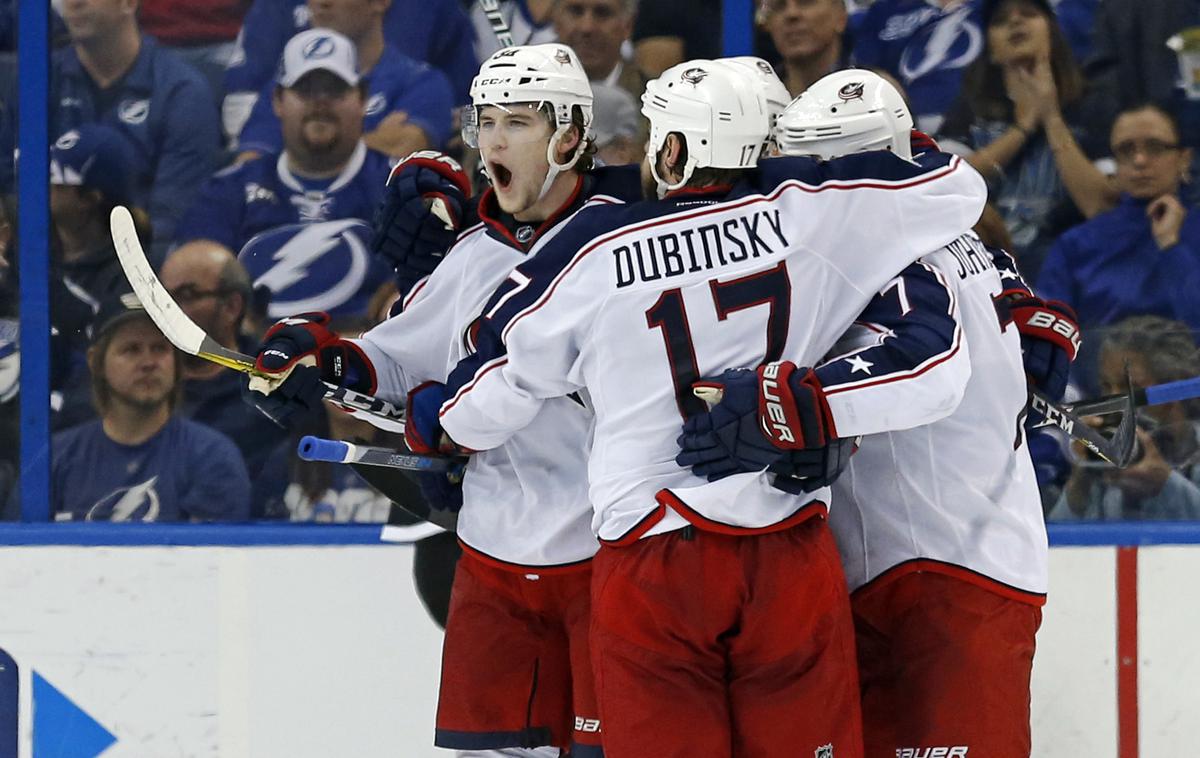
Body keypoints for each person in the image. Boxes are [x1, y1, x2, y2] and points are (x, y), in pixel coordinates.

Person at [415, 60, 986, 756]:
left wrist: (439, 423)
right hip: (787, 546)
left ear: (678, 148)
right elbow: (958, 189)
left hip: (653, 564)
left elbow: (482, 401)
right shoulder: (813, 217)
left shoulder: (593, 250)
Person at [246, 43, 643, 757]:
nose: (494, 140)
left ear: (571, 136)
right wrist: (327, 355)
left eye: (518, 122)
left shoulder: (629, 242)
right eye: (486, 122)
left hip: (608, 558)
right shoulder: (475, 255)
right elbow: (399, 357)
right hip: (494, 559)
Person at [682, 69, 1059, 758]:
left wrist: (785, 406)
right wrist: (1031, 317)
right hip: (899, 567)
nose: (808, 186)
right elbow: (1004, 283)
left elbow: (923, 359)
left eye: (827, 166)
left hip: (946, 575)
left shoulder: (895, 244)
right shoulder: (924, 213)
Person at [174, 29, 392, 320]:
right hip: (253, 359)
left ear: (363, 98)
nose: (320, 102)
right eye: (306, 89)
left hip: (368, 355)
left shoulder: (398, 185)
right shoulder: (226, 192)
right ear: (277, 100)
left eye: (335, 89)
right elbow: (191, 290)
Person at [936, 0, 1111, 277]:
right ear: (991, 49)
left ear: (1053, 33)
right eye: (1001, 20)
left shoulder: (1091, 105)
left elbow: (1101, 206)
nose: (1015, 22)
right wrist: (1023, 127)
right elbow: (941, 182)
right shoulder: (969, 107)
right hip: (984, 256)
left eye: (1028, 14)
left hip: (1066, 258)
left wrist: (1051, 117)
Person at [40, 293, 251, 522]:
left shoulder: (212, 458)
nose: (149, 363)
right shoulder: (57, 459)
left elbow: (216, 556)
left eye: (160, 348)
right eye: (131, 349)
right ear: (95, 361)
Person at [1036, 102, 1200, 393]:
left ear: (1184, 159)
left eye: (1155, 147)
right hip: (1102, 399)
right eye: (1126, 150)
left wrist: (1171, 247)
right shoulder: (1076, 244)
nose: (1139, 160)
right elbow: (1048, 338)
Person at [53, 0, 221, 258]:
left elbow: (171, 217)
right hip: (47, 264)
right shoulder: (39, 81)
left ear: (129, 2)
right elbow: (13, 189)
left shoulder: (181, 92)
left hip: (139, 267)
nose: (74, 3)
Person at [221, 0, 476, 141]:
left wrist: (298, 149)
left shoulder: (422, 82)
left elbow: (405, 148)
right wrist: (375, 141)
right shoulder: (284, 88)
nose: (321, 4)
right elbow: (250, 161)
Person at [159, 241, 292, 498]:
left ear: (232, 306)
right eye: (163, 297)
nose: (168, 310)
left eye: (186, 296)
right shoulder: (137, 381)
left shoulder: (276, 387)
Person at [1050, 315, 1200, 521]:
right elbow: (1057, 546)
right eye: (1106, 386)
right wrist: (1079, 486)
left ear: (1173, 391)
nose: (1113, 401)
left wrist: (1164, 484)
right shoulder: (1108, 455)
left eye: (1131, 388)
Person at [852, 0, 985, 134]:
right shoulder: (885, 9)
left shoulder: (985, 6)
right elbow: (864, 70)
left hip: (973, 122)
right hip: (901, 124)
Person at [756, 0, 849, 97]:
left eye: (805, 2)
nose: (791, 14)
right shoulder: (755, 99)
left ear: (841, 16)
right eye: (779, 5)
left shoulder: (865, 94)